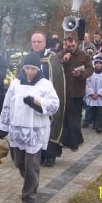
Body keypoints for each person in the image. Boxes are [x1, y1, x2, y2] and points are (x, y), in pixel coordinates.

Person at [0, 52, 59, 203]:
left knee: (31, 166)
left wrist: (37, 102)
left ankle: (29, 199)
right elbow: (7, 105)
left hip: (34, 133)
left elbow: (54, 105)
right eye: (27, 68)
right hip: (17, 131)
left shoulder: (45, 84)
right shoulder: (16, 83)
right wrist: (2, 126)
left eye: (33, 68)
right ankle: (32, 183)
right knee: (19, 163)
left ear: (38, 69)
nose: (29, 72)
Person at [29, 32, 65, 167]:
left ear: (45, 43)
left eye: (39, 42)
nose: (36, 44)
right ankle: (37, 154)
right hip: (33, 98)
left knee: (51, 125)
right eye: (34, 42)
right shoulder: (28, 57)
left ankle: (50, 155)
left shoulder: (52, 58)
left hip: (48, 97)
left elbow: (57, 80)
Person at [58, 36, 93, 151]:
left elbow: (90, 69)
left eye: (73, 46)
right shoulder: (60, 55)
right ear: (65, 45)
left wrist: (81, 75)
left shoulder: (84, 55)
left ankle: (76, 141)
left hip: (77, 91)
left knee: (76, 118)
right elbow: (55, 68)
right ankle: (68, 141)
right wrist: (64, 60)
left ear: (76, 44)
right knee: (66, 118)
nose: (71, 48)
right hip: (63, 91)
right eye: (69, 46)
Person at [85, 57, 102, 133]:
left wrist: (99, 94)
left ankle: (99, 126)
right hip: (92, 95)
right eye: (96, 63)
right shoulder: (91, 73)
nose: (98, 65)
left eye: (99, 63)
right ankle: (94, 123)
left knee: (100, 111)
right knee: (93, 110)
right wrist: (92, 93)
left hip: (100, 96)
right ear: (94, 64)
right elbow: (87, 83)